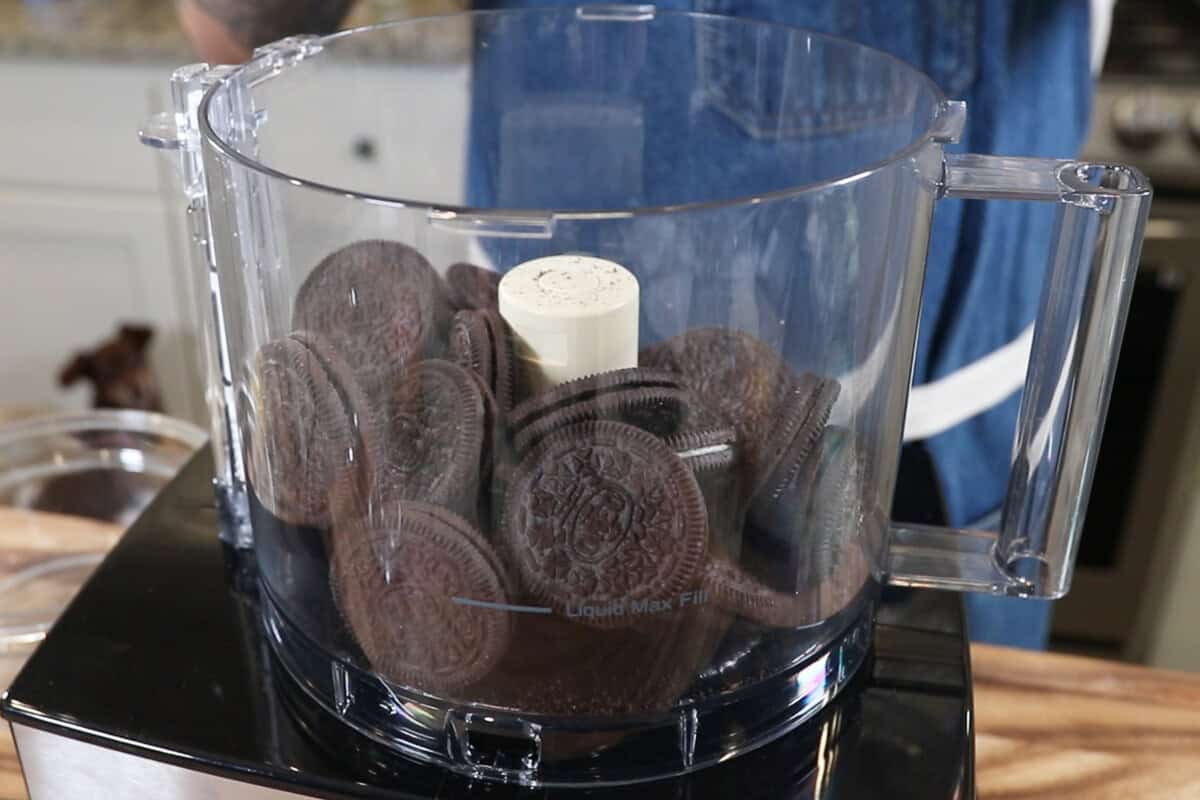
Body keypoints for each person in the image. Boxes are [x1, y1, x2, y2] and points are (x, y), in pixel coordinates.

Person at [178, 0, 1115, 650]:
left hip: (931, 434)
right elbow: (236, 29)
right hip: (505, 448)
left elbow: (223, 25)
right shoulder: (466, 414)